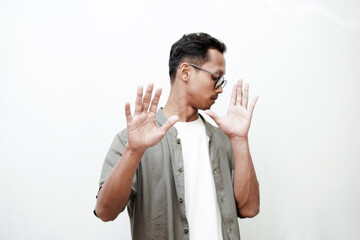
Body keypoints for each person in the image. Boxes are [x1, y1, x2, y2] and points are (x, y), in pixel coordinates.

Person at [94, 32, 260, 240]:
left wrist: (239, 140)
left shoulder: (222, 139)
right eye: (215, 77)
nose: (220, 89)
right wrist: (134, 151)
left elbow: (250, 209)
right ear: (185, 72)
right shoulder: (131, 141)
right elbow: (105, 212)